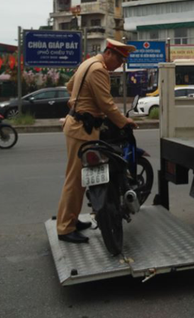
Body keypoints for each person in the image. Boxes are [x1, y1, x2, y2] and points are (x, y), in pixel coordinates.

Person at [56, 39, 138, 244]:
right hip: (82, 129)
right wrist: (123, 121)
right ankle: (65, 228)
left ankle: (72, 220)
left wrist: (78, 101)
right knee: (75, 180)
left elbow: (69, 86)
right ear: (109, 53)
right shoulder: (98, 70)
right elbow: (106, 103)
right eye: (119, 58)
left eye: (123, 59)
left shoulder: (88, 63)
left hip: (78, 125)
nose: (120, 63)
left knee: (81, 178)